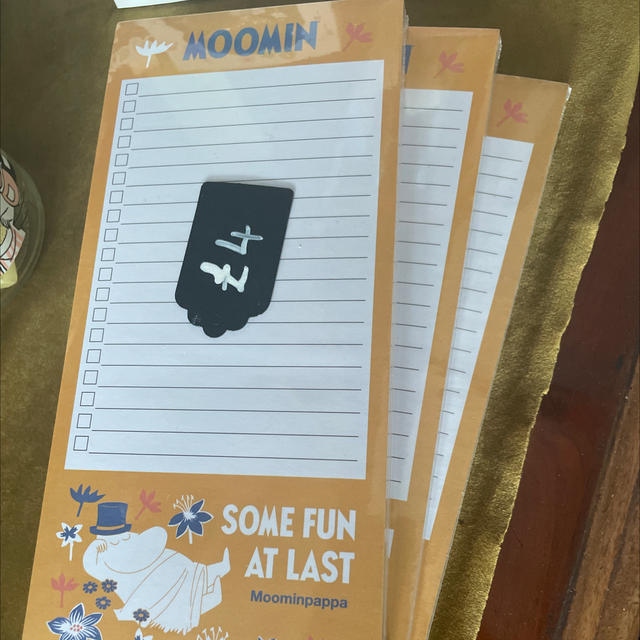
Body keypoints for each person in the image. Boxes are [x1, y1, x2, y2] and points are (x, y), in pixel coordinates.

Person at [82, 502, 230, 635]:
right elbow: (91, 567)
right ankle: (207, 597)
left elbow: (154, 539)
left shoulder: (127, 539)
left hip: (152, 574)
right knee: (167, 583)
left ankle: (209, 576)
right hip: (139, 589)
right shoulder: (101, 551)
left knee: (172, 564)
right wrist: (95, 549)